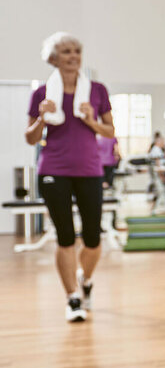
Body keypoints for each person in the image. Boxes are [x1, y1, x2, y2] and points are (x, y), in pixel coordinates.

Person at [25, 33, 115, 322]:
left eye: (76, 50)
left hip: (89, 169)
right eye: (66, 51)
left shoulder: (97, 90)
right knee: (65, 238)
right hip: (54, 170)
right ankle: (72, 298)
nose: (73, 55)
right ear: (53, 58)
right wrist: (41, 118)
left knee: (92, 238)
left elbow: (110, 131)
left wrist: (90, 119)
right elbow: (30, 138)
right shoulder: (41, 94)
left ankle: (85, 279)